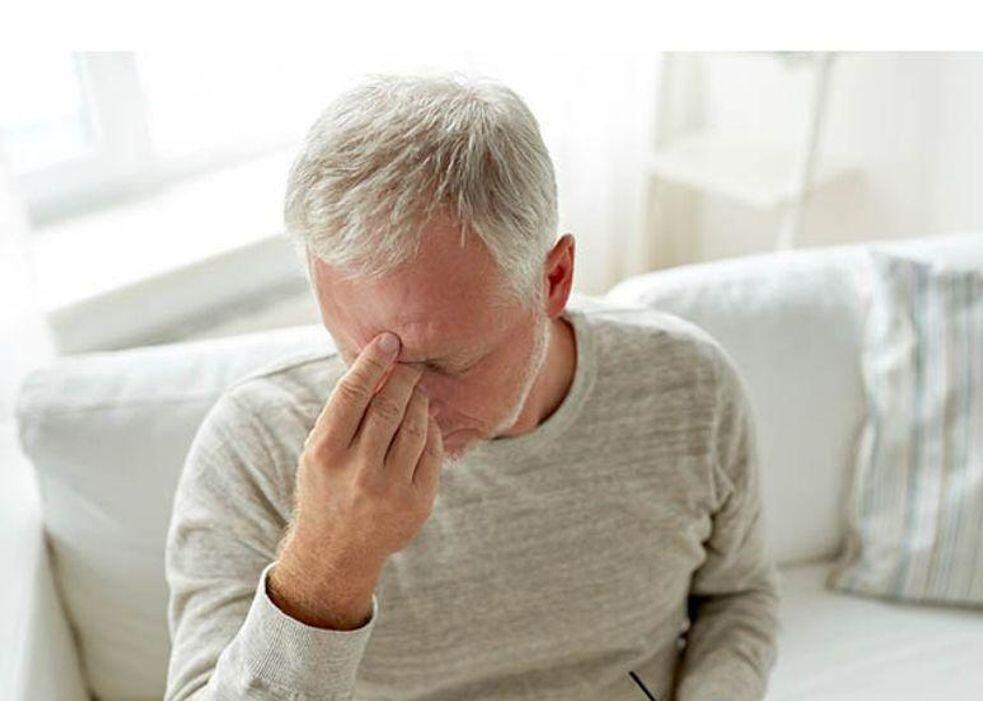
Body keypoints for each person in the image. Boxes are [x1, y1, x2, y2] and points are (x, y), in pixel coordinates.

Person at [164, 72, 779, 700]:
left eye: (443, 364)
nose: (401, 411)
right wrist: (328, 565)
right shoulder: (256, 446)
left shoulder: (688, 387)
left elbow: (739, 595)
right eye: (358, 359)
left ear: (553, 279)